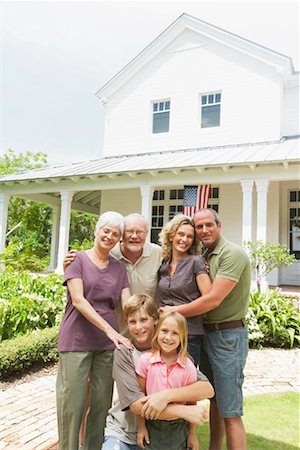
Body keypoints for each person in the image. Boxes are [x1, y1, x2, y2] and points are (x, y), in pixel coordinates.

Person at [160, 208, 251, 450]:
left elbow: (212, 300)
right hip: (207, 333)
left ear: (219, 225)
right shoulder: (206, 256)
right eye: (199, 227)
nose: (203, 230)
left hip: (228, 336)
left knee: (230, 409)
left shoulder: (233, 254)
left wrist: (173, 311)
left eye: (208, 225)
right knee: (215, 400)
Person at [56, 211, 131, 450]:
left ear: (119, 240)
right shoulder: (77, 260)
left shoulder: (119, 269)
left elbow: (128, 304)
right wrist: (111, 331)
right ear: (96, 231)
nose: (109, 236)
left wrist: (149, 318)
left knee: (101, 405)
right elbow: (78, 300)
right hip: (76, 340)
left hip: (106, 347)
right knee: (73, 404)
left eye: (115, 234)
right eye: (105, 230)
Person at [103, 294, 214, 450]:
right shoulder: (125, 351)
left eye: (144, 320)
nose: (138, 327)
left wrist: (166, 396)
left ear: (155, 320)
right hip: (124, 431)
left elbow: (206, 389)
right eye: (132, 322)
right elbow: (136, 405)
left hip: (161, 433)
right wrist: (184, 412)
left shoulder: (175, 354)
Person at [136, 311, 199, 450]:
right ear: (157, 331)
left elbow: (191, 403)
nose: (168, 337)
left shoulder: (188, 366)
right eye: (164, 331)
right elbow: (140, 397)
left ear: (183, 337)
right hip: (151, 425)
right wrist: (141, 427)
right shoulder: (145, 361)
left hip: (178, 428)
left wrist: (192, 433)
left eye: (175, 333)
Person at [158, 214, 211, 367]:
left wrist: (175, 310)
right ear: (171, 235)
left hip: (189, 336)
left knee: (184, 384)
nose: (184, 239)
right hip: (165, 335)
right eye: (180, 234)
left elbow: (208, 299)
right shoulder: (163, 264)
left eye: (189, 236)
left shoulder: (196, 262)